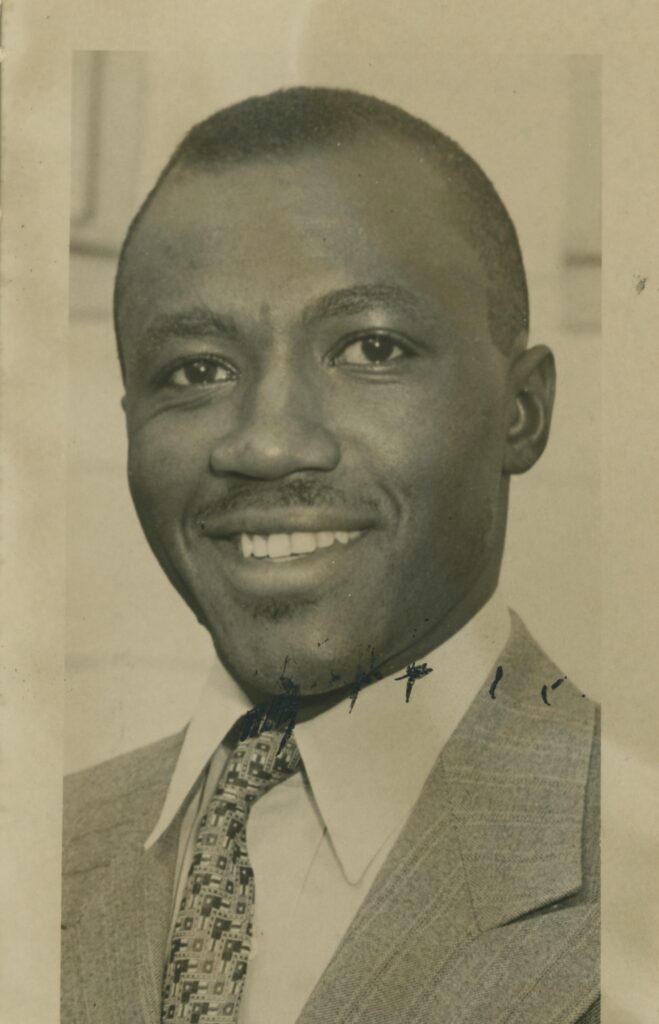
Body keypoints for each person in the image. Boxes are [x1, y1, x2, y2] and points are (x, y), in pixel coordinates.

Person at [61, 87, 599, 1024]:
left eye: (370, 348)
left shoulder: (626, 846)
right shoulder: (43, 841)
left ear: (522, 411)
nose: (268, 444)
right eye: (196, 370)